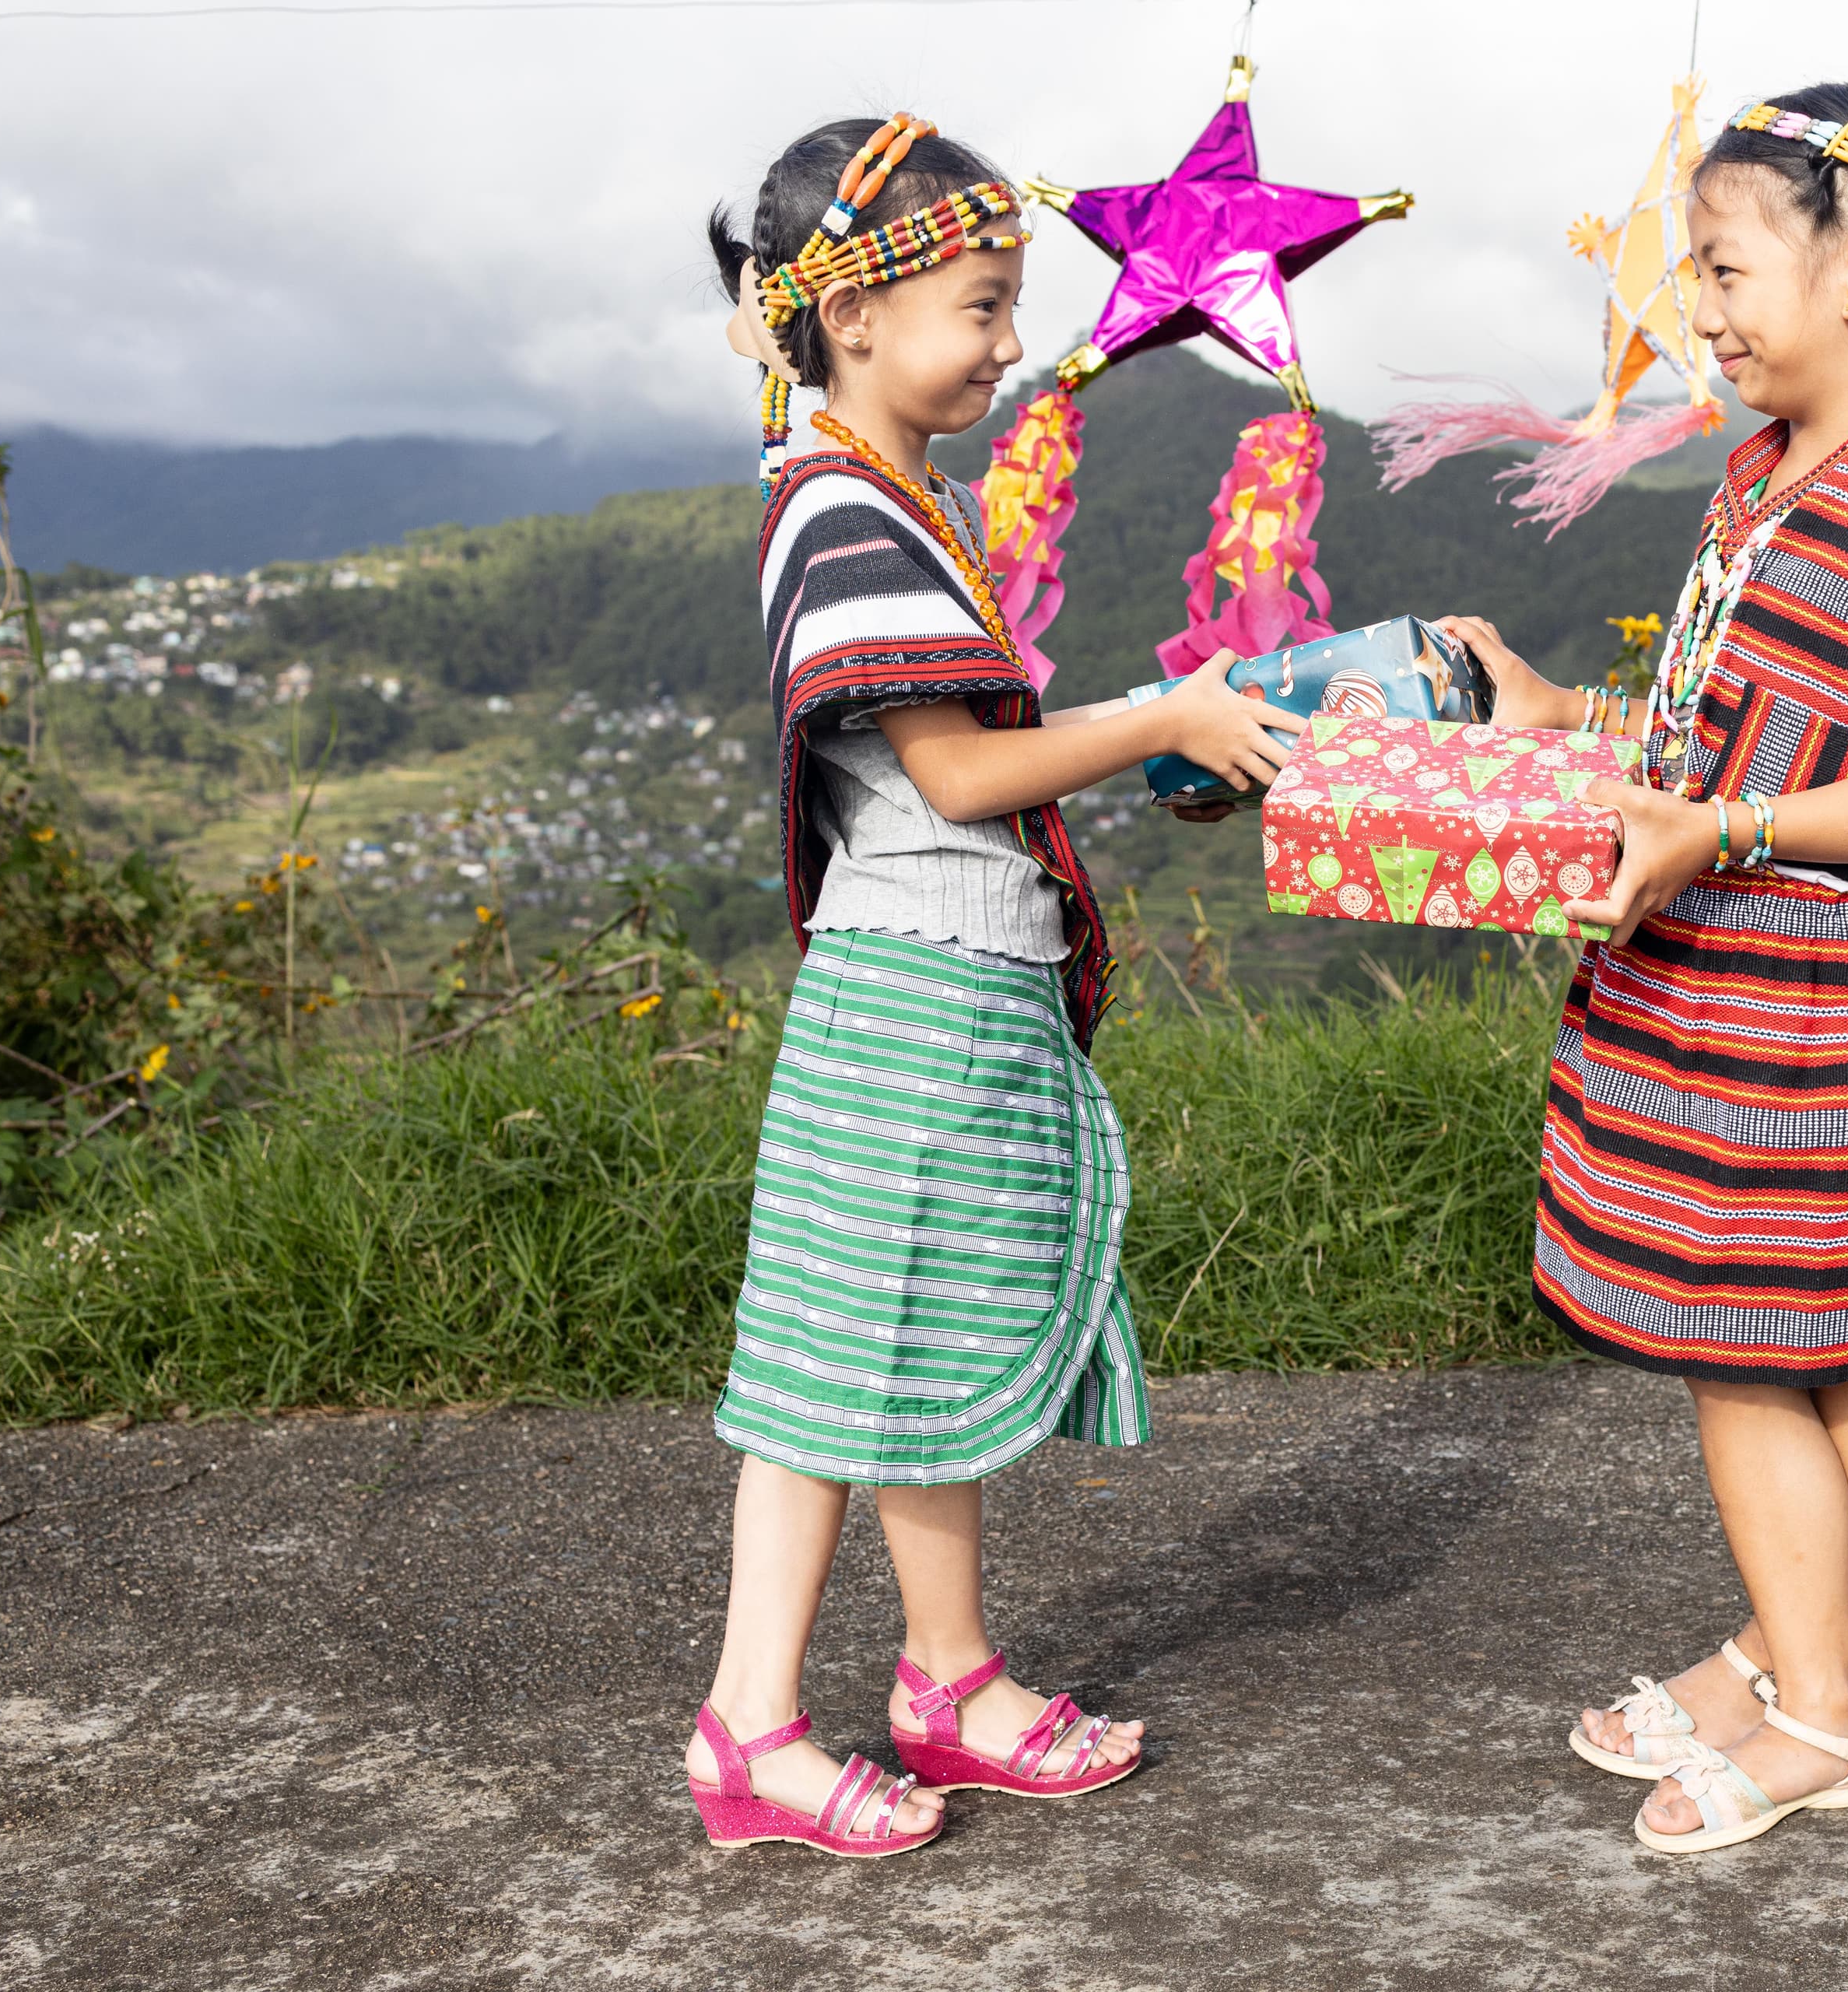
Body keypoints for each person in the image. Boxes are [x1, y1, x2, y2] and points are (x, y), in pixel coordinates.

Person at [1440, 80, 1848, 1857]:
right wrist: (1569, 715)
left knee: (1758, 1346)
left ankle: (1825, 1709)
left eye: (1725, 271)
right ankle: (1775, 1652)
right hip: (1731, 975)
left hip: (1817, 991)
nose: (1700, 313)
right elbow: (1734, 717)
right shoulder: (1759, 471)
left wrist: (1720, 835)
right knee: (1840, 1352)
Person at [685, 112, 1301, 1857]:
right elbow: (958, 773)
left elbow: (969, 750)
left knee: (920, 1340)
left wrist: (1150, 730)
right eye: (982, 304)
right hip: (910, 1001)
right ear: (856, 314)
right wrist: (1165, 717)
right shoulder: (836, 510)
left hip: (961, 992)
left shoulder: (900, 499)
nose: (1011, 344)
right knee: (828, 1367)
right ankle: (748, 1723)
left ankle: (943, 1678)